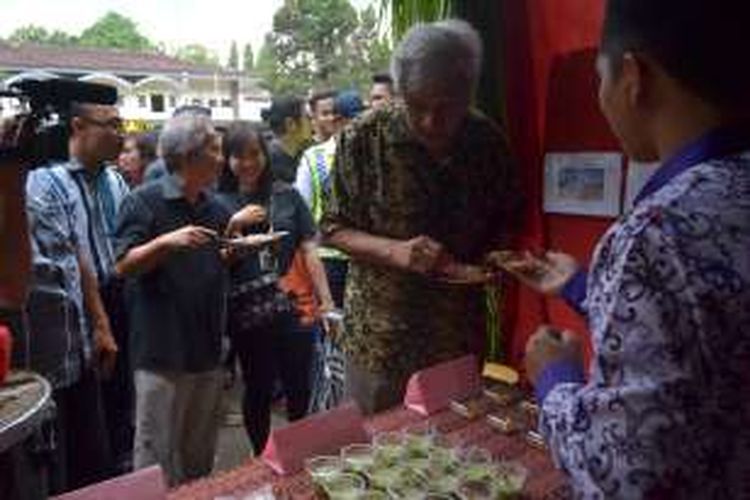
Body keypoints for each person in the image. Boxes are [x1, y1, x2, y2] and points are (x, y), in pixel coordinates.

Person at [505, 0, 750, 497]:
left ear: (634, 76)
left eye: (601, 75)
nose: (600, 95)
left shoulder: (655, 230)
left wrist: (554, 379)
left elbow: (620, 474)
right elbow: (711, 334)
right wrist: (578, 285)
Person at [321, 20, 520, 414]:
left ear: (469, 92)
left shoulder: (487, 142)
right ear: (399, 93)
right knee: (375, 456)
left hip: (456, 338)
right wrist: (393, 251)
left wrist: (497, 260)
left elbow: (506, 221)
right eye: (417, 106)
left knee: (452, 451)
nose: (430, 122)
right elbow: (331, 229)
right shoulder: (363, 139)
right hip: (380, 340)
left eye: (446, 108)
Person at [114, 114, 227, 485]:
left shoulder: (216, 207)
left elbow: (217, 260)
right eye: (214, 150)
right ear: (188, 155)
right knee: (154, 455)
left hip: (207, 347)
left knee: (199, 454)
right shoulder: (143, 202)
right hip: (161, 350)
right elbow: (123, 265)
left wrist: (234, 250)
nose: (222, 158)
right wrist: (166, 242)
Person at [21, 102, 126, 492]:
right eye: (111, 125)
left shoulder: (115, 181)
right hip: (58, 330)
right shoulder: (47, 181)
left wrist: (102, 322)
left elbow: (78, 253)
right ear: (78, 127)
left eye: (122, 125)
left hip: (108, 299)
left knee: (111, 416)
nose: (120, 134)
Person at [218, 121, 333, 453]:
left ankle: (299, 453)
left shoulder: (286, 194)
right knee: (258, 387)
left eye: (254, 154)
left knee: (300, 385)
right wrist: (234, 224)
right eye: (238, 156)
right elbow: (213, 260)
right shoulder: (217, 201)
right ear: (227, 160)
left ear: (265, 155)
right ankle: (260, 456)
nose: (248, 162)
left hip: (293, 304)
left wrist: (325, 300)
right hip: (247, 311)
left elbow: (309, 248)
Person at [261, 96, 312, 184]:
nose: (313, 122)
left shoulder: (306, 154)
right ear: (290, 124)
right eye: (308, 118)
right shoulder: (266, 162)